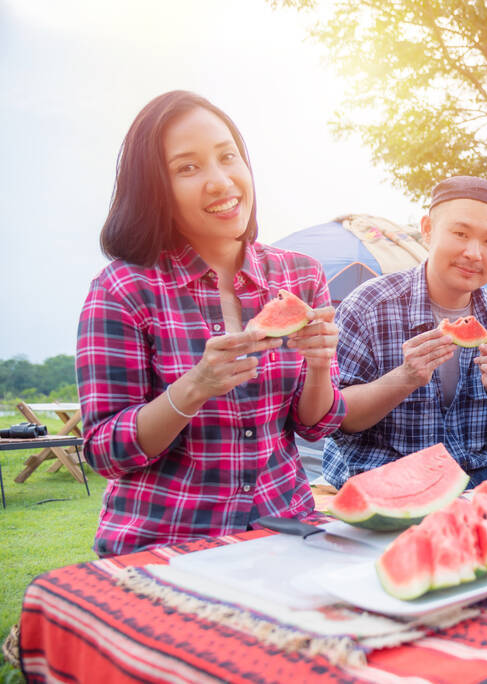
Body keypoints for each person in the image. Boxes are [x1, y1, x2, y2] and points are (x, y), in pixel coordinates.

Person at [76, 91, 345, 557]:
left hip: (283, 531)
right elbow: (105, 451)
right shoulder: (121, 289)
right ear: (153, 187)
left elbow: (315, 426)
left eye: (228, 157)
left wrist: (319, 365)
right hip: (167, 544)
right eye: (188, 167)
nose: (221, 181)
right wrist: (193, 387)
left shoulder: (300, 276)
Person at [322, 176, 487, 487]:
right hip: (386, 470)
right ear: (428, 229)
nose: (473, 253)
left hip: (473, 467)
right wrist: (403, 378)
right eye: (460, 233)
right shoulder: (369, 306)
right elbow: (336, 416)